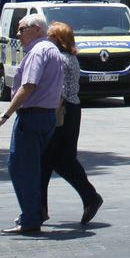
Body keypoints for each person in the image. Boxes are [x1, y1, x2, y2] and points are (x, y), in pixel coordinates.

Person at [0, 14, 66, 235]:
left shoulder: (38, 52)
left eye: (21, 29)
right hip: (47, 117)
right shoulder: (53, 51)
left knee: (21, 167)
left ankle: (31, 218)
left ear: (36, 29)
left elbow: (28, 85)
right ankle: (35, 212)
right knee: (33, 168)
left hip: (32, 117)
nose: (18, 34)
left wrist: (5, 115)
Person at [41, 22, 102, 227]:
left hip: (62, 112)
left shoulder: (59, 59)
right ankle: (88, 197)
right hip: (72, 111)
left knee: (51, 160)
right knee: (58, 160)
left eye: (50, 35)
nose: (46, 38)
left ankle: (89, 197)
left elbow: (60, 92)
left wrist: (49, 117)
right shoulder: (72, 58)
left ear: (57, 39)